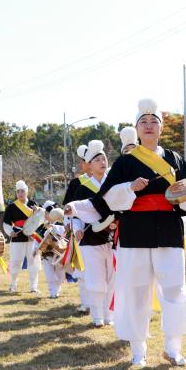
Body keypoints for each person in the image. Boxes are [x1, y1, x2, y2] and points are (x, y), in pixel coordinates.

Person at [66, 98, 186, 367]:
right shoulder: (125, 163)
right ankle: (139, 350)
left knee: (174, 288)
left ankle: (173, 348)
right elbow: (106, 200)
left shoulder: (176, 159)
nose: (149, 126)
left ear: (161, 128)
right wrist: (129, 188)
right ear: (136, 128)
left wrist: (182, 196)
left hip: (170, 231)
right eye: (143, 122)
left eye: (154, 122)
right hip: (135, 231)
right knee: (136, 291)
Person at [69, 140, 116, 327]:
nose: (102, 162)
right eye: (97, 159)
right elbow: (74, 211)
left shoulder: (113, 184)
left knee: (112, 278)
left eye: (104, 158)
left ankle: (109, 315)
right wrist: (77, 227)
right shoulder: (83, 187)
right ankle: (97, 315)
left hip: (113, 238)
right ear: (89, 164)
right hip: (90, 238)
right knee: (96, 279)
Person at [64, 148, 92, 311]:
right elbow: (68, 206)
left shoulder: (105, 179)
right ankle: (86, 302)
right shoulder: (76, 183)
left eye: (83, 160)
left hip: (102, 228)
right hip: (80, 227)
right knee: (81, 266)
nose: (81, 164)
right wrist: (69, 223)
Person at [3, 180, 42, 293]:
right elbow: (6, 223)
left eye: (22, 191)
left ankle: (33, 287)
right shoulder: (11, 207)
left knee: (33, 261)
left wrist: (37, 212)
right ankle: (13, 285)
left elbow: (39, 220)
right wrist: (10, 232)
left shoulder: (33, 204)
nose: (20, 193)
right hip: (17, 237)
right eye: (18, 191)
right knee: (15, 261)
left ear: (26, 192)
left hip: (32, 237)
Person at [40, 202, 67, 299]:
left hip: (60, 252)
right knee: (49, 273)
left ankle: (57, 289)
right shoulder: (42, 225)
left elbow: (65, 232)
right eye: (47, 213)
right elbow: (39, 239)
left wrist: (53, 227)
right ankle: (52, 292)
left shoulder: (61, 223)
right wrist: (35, 249)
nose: (48, 215)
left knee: (60, 273)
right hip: (47, 253)